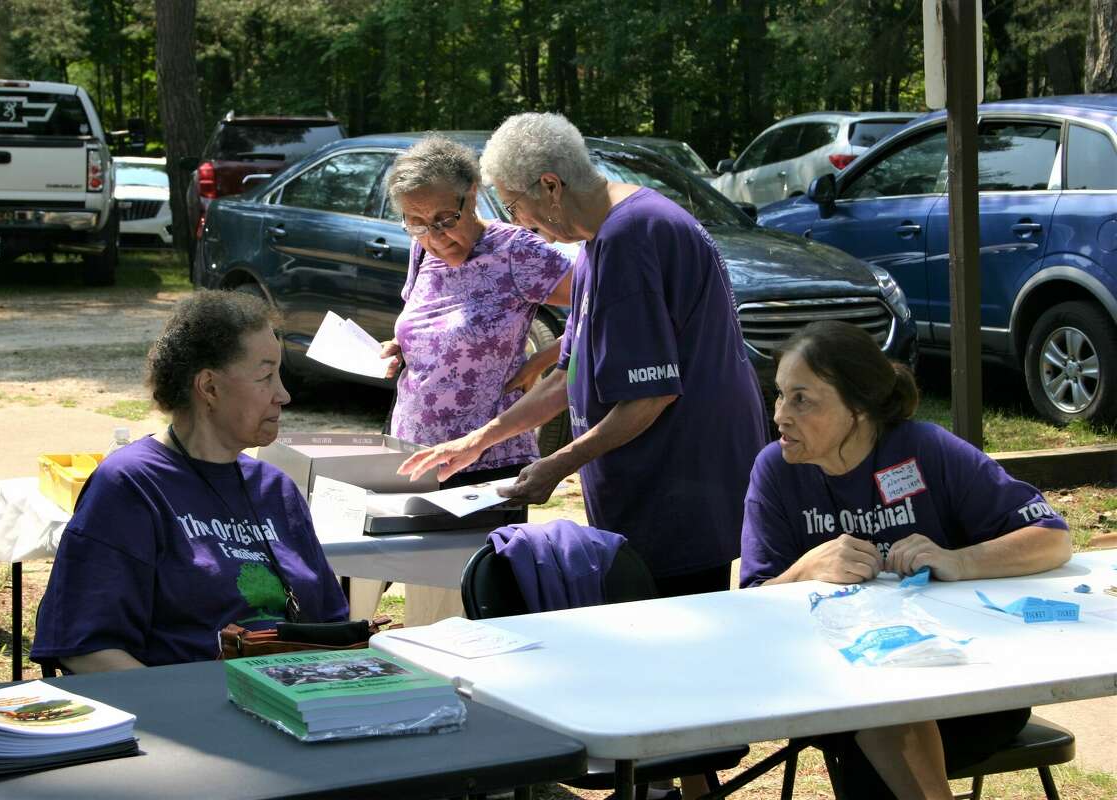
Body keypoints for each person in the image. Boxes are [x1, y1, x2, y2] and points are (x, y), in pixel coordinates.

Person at [401, 112, 767, 597]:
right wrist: (476, 442)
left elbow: (649, 396)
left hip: (679, 486)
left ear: (550, 186)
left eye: (514, 206)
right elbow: (565, 373)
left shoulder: (631, 237)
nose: (518, 222)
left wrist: (556, 465)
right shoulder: (600, 240)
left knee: (670, 644)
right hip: (652, 486)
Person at [740, 320, 1073, 800]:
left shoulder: (923, 449)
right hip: (839, 691)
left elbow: (1051, 538)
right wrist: (805, 569)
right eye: (779, 396)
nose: (780, 416)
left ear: (857, 407)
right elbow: (750, 602)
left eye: (802, 399)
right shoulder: (775, 470)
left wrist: (959, 560)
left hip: (962, 686)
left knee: (877, 739)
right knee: (873, 730)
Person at [32, 290, 348, 674]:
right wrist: (184, 713)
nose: (283, 394)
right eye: (266, 376)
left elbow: (333, 628)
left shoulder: (275, 489)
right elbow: (85, 648)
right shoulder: (131, 486)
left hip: (293, 705)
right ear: (209, 387)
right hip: (191, 717)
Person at [380, 134, 573, 488]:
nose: (435, 237)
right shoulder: (420, 250)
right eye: (417, 223)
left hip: (489, 462)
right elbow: (428, 325)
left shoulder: (516, 251)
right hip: (412, 453)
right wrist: (400, 345)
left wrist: (544, 359)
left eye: (445, 220)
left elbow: (604, 303)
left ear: (471, 195)